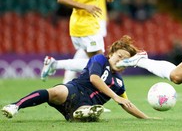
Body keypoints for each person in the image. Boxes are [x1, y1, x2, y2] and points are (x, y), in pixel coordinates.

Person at [2, 36, 153, 122]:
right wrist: (115, 97)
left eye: (124, 60)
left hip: (86, 103)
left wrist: (147, 118)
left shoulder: (119, 83)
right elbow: (94, 79)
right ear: (111, 53)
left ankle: (84, 113)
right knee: (56, 91)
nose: (120, 61)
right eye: (119, 56)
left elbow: (126, 103)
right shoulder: (100, 59)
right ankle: (15, 106)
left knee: (88, 112)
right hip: (74, 91)